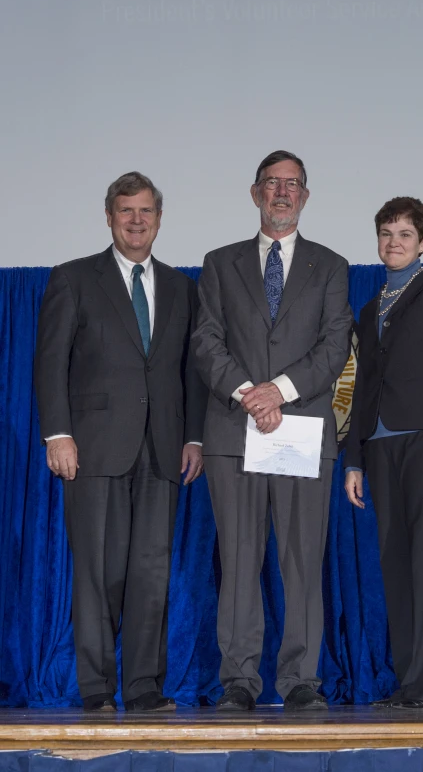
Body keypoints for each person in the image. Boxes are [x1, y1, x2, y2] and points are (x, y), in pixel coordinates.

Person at [34, 172, 206, 712]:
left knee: (151, 573)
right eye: (126, 211)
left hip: (162, 450)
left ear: (159, 219)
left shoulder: (182, 287)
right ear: (108, 217)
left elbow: (190, 372)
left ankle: (144, 686)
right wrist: (58, 434)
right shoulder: (74, 278)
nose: (136, 221)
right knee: (98, 574)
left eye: (146, 211)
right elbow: (50, 362)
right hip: (93, 449)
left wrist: (194, 438)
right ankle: (96, 688)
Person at [192, 150, 353, 711]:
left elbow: (335, 345)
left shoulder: (331, 266)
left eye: (292, 184)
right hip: (234, 432)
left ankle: (300, 680)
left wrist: (277, 391)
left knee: (302, 558)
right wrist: (248, 393)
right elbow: (204, 341)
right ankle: (238, 679)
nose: (282, 192)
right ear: (255, 192)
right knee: (238, 560)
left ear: (305, 197)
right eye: (272, 183)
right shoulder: (219, 263)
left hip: (300, 431)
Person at [345, 197, 423, 711]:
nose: (393, 242)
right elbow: (360, 388)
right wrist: (353, 458)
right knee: (394, 564)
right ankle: (409, 683)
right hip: (379, 446)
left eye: (403, 234)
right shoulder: (370, 307)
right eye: (385, 233)